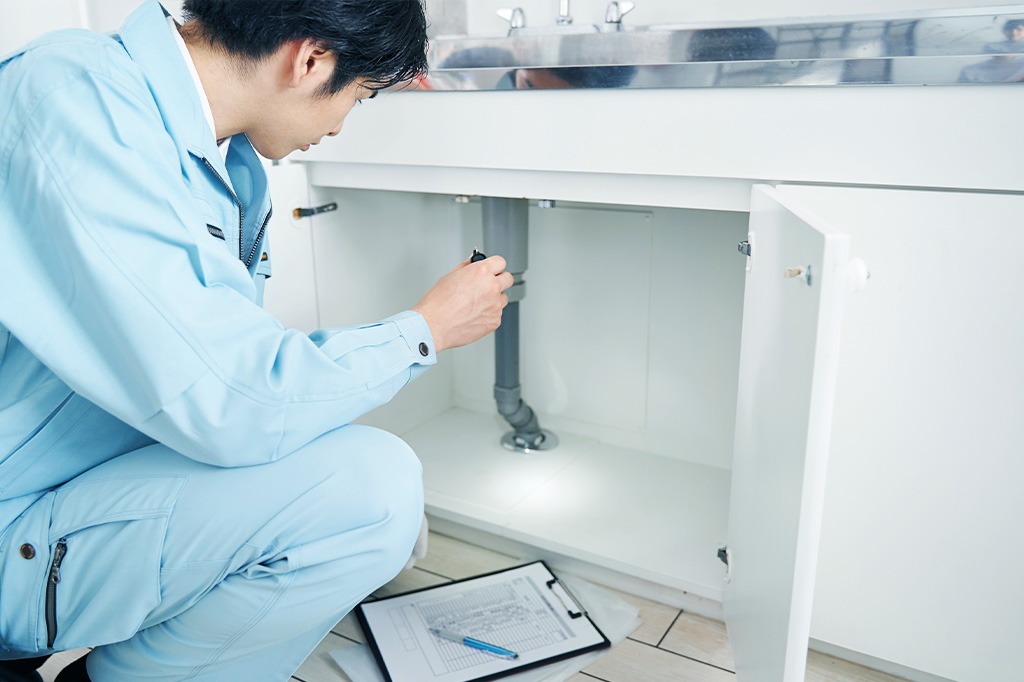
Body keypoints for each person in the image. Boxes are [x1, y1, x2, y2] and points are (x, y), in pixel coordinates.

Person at [0, 1, 513, 680]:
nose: (340, 125)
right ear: (310, 59)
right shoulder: (72, 99)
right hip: (15, 518)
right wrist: (425, 332)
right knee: (372, 496)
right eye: (359, 97)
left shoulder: (225, 158)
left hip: (70, 487)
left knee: (369, 503)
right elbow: (235, 401)